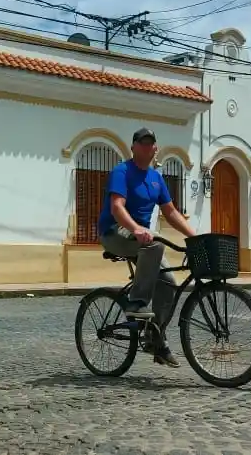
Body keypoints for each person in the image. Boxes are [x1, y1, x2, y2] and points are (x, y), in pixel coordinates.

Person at [96, 127, 197, 367]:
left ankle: (155, 338)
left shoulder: (156, 178)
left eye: (150, 143)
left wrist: (194, 236)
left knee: (168, 283)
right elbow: (117, 207)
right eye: (141, 143)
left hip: (142, 237)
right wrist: (136, 229)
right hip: (115, 231)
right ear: (133, 147)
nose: (146, 147)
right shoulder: (122, 171)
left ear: (155, 149)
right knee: (154, 243)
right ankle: (137, 302)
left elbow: (170, 212)